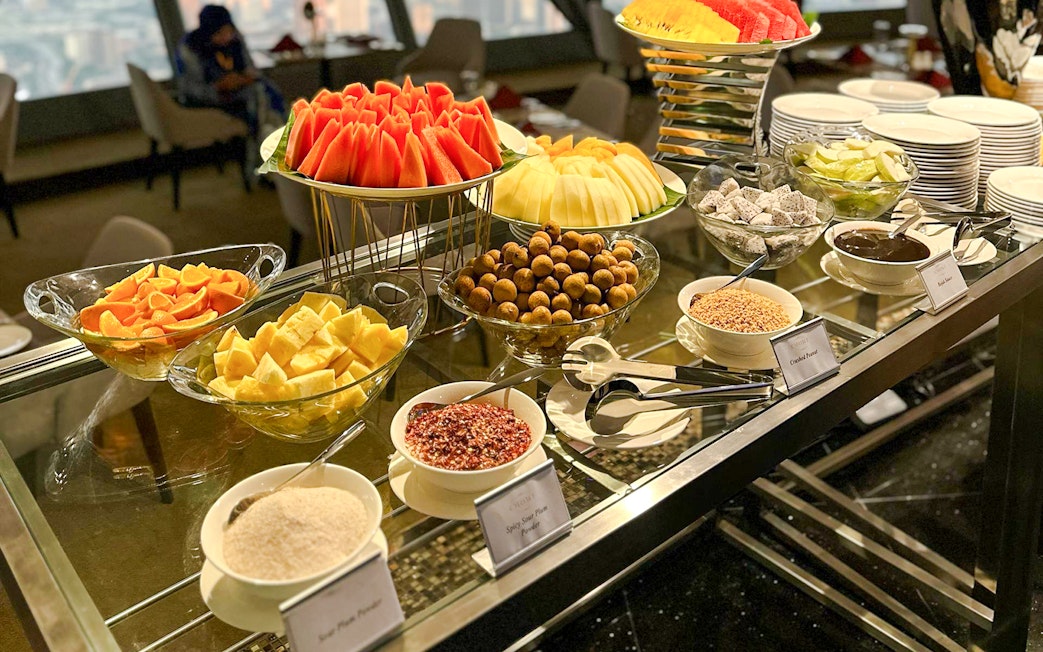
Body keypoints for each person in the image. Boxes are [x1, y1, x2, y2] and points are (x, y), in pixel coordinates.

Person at [176, 5, 285, 138]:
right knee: (256, 97)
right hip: (207, 100)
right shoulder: (192, 47)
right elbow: (189, 88)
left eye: (228, 32)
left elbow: (250, 68)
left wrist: (242, 78)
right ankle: (258, 147)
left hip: (241, 92)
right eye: (219, 34)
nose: (225, 37)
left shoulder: (235, 40)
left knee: (266, 90)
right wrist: (218, 87)